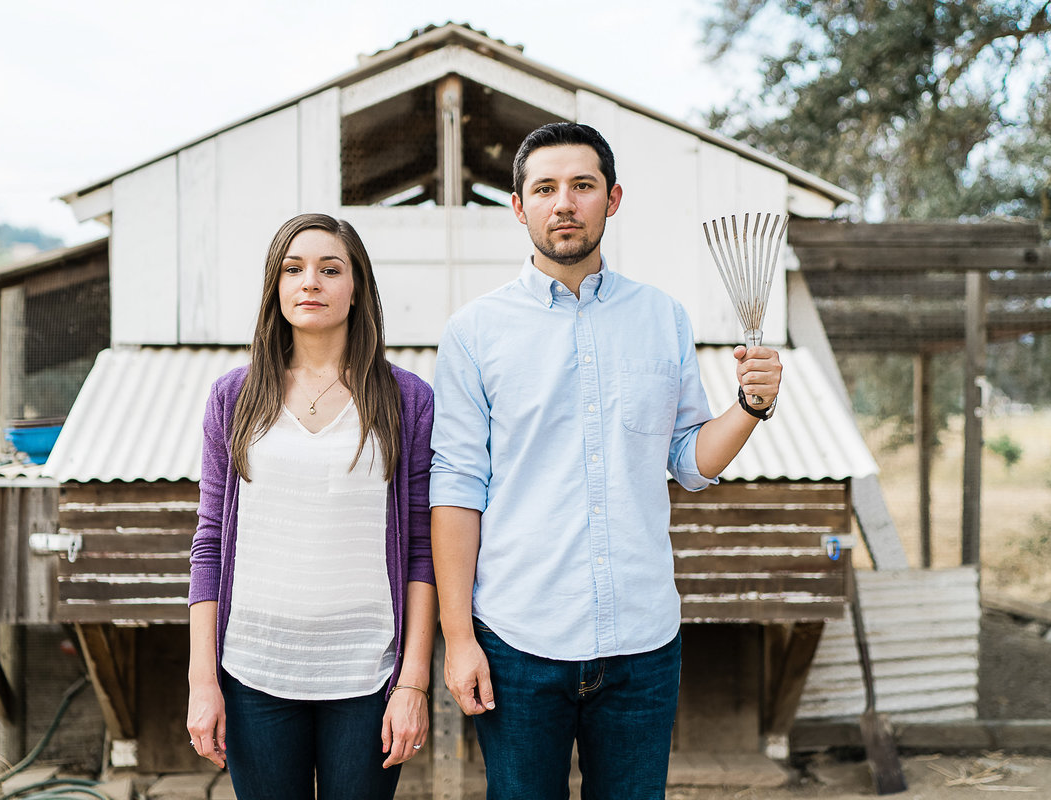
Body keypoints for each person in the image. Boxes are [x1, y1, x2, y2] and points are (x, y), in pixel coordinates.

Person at [429, 123, 783, 799]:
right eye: (546, 188)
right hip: (517, 639)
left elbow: (689, 461)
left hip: (642, 643)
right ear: (519, 206)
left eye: (582, 186)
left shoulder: (663, 318)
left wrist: (750, 406)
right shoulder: (475, 332)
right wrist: (459, 637)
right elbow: (455, 487)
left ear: (612, 199)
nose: (564, 202)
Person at [187, 213, 438, 800]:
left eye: (331, 269)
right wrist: (204, 680)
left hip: (369, 676)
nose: (311, 283)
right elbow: (209, 542)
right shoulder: (235, 398)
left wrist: (413, 683)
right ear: (275, 287)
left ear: (357, 288)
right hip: (253, 674)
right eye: (293, 269)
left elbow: (423, 550)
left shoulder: (406, 400)